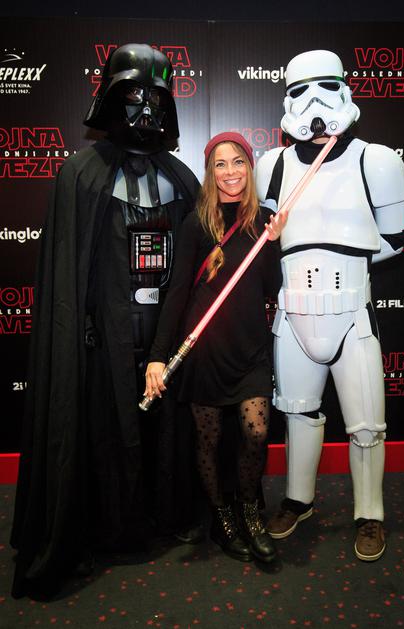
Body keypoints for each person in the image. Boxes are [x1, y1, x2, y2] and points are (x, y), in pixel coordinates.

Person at [10, 43, 200, 598]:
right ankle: (104, 527)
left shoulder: (183, 179)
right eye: (133, 96)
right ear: (111, 98)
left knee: (164, 428)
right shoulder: (82, 175)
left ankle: (166, 515)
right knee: (103, 430)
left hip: (164, 334)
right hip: (105, 338)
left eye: (156, 98)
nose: (145, 110)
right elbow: (69, 276)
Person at [256, 50, 404, 561]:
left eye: (325, 86)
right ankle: (297, 500)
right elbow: (265, 236)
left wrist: (340, 255)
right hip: (293, 315)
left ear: (344, 89)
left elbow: (396, 237)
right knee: (297, 413)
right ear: (286, 99)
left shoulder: (376, 160)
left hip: (351, 315)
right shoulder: (271, 166)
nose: (314, 102)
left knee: (366, 425)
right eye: (300, 90)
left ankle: (370, 513)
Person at [145, 131, 287, 563]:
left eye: (238, 162)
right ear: (210, 172)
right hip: (204, 349)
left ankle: (249, 511)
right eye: (220, 164)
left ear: (249, 167)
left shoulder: (264, 220)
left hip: (250, 347)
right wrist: (157, 356)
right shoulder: (196, 224)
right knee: (208, 440)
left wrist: (274, 243)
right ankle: (222, 517)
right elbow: (176, 294)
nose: (230, 172)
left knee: (256, 432)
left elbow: (272, 288)